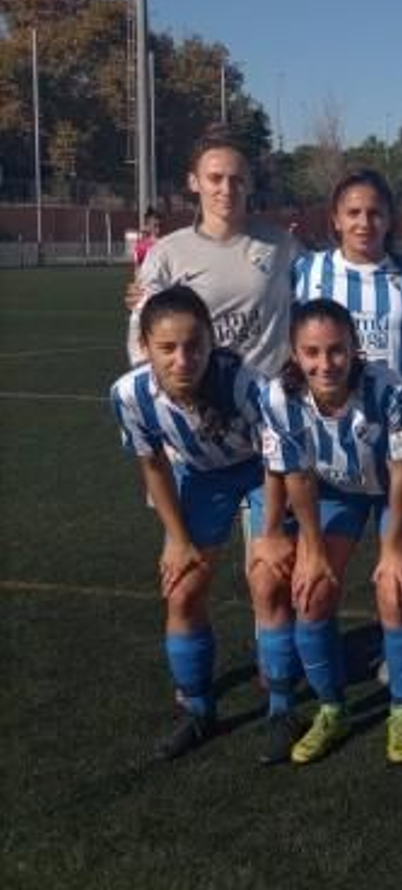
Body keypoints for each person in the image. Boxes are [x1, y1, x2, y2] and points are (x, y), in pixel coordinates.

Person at [257, 300, 402, 764]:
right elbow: (296, 477)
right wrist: (313, 551)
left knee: (396, 589)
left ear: (354, 347)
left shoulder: (387, 388)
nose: (325, 363)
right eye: (311, 352)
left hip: (393, 491)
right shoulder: (279, 397)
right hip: (336, 493)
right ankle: (333, 709)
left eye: (336, 350)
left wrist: (392, 547)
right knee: (311, 594)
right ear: (294, 353)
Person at [109, 286, 273, 759]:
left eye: (194, 345)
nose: (183, 360)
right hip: (201, 476)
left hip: (263, 471)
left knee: (270, 580)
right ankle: (198, 710)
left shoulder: (246, 385)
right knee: (182, 590)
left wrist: (273, 533)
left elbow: (280, 461)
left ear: (210, 341)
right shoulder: (130, 394)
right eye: (167, 348)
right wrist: (177, 540)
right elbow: (154, 465)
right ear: (144, 346)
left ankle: (282, 704)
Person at [128, 132, 299, 375]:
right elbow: (141, 330)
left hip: (267, 393)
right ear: (194, 182)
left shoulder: (283, 246)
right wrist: (153, 385)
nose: (226, 189)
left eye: (237, 179)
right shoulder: (166, 253)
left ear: (250, 183)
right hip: (200, 394)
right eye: (215, 178)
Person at [294, 169, 402, 373]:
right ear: (336, 219)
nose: (364, 223)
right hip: (328, 393)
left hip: (401, 392)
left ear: (389, 219)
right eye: (353, 213)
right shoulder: (306, 269)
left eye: (374, 213)